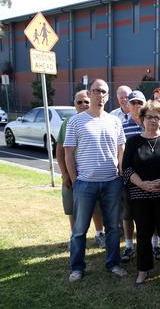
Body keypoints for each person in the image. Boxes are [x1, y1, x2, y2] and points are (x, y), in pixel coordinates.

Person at [64, 79, 127, 282]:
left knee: (112, 227)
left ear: (108, 96)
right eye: (96, 91)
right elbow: (68, 153)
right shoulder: (76, 121)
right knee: (80, 229)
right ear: (89, 94)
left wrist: (120, 173)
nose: (100, 95)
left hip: (111, 182)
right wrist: (75, 180)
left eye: (103, 91)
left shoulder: (115, 121)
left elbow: (121, 150)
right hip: (85, 183)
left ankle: (113, 264)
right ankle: (77, 267)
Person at [122, 101, 160, 285]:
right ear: (142, 119)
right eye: (149, 117)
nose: (153, 121)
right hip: (140, 196)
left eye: (157, 117)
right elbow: (126, 168)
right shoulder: (133, 141)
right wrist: (141, 184)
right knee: (143, 232)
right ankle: (143, 269)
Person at [56, 90, 105, 248]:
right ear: (75, 105)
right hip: (72, 176)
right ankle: (75, 237)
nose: (83, 105)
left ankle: (99, 234)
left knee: (97, 207)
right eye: (79, 102)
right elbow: (60, 151)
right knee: (72, 207)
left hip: (92, 176)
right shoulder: (68, 122)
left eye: (86, 102)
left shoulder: (99, 120)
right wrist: (65, 174)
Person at [121, 90, 146, 263]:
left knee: (151, 214)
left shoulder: (153, 124)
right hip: (129, 179)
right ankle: (129, 246)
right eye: (133, 103)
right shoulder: (121, 126)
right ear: (127, 105)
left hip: (151, 179)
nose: (136, 106)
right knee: (128, 215)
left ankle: (154, 244)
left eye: (139, 103)